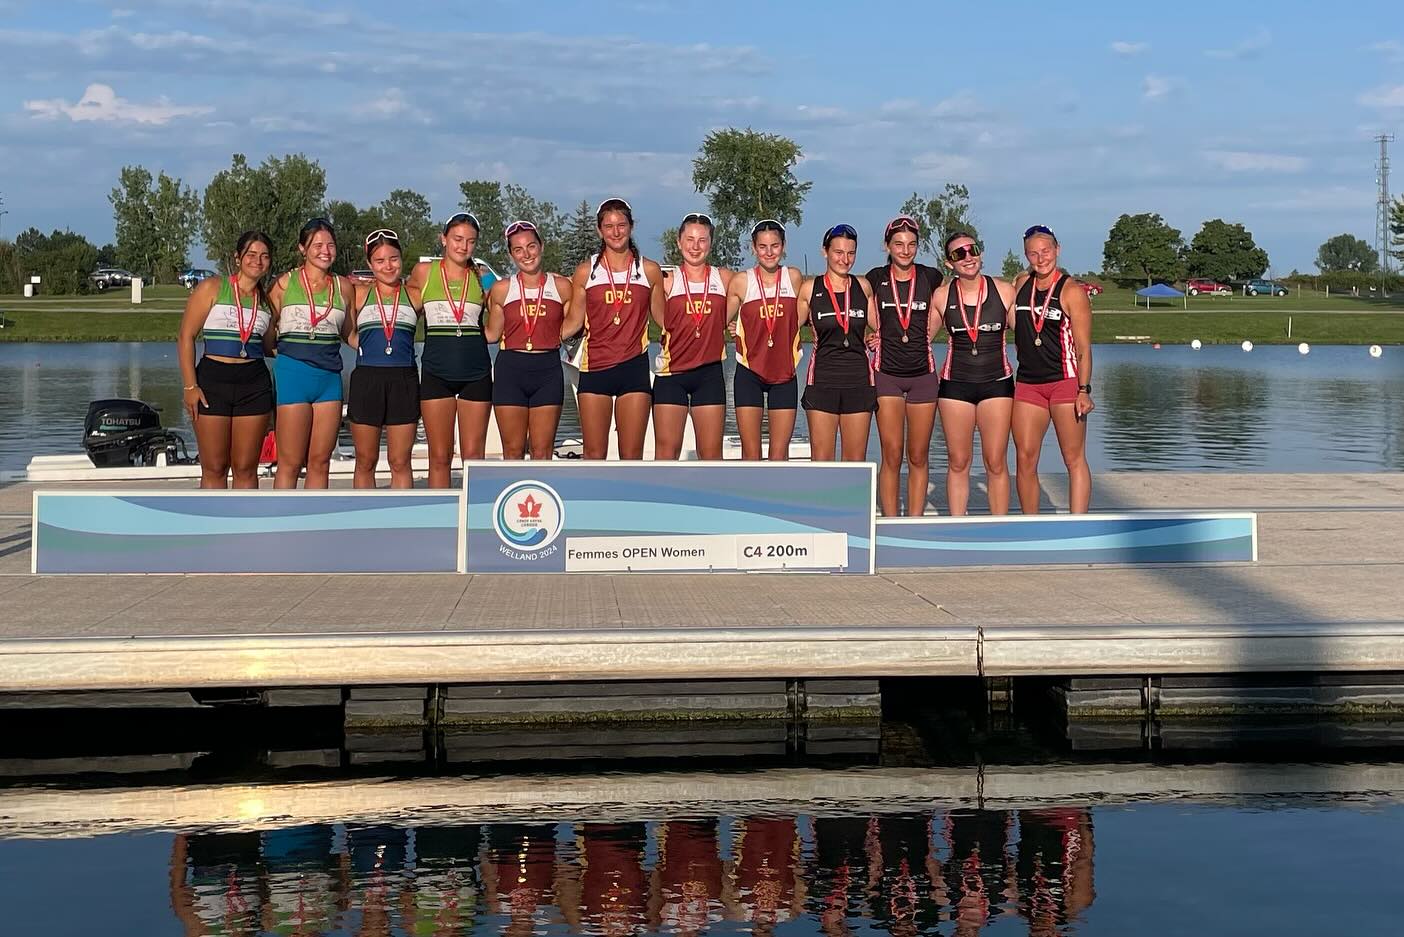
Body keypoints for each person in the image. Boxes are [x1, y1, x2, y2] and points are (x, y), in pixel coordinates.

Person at [177, 230, 275, 489]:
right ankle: (211, 528)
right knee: (214, 467)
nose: (258, 260)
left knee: (246, 468)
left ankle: (247, 527)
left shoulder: (266, 303)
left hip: (254, 384)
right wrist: (190, 386)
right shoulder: (212, 287)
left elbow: (269, 347)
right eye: (251, 254)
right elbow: (186, 336)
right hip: (212, 382)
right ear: (237, 258)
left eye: (264, 256)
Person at [569, 198, 665, 460]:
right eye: (609, 226)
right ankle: (594, 501)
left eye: (621, 225)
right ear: (600, 230)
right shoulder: (586, 271)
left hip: (633, 368)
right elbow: (573, 322)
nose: (616, 232)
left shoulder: (649, 270)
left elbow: (664, 319)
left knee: (631, 455)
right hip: (594, 368)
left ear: (631, 227)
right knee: (593, 454)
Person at [933, 231, 1017, 516]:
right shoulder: (942, 296)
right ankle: (957, 525)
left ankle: (999, 527)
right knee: (958, 461)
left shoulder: (1005, 291)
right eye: (959, 254)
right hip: (955, 386)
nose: (968, 257)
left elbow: (1030, 335)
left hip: (997, 384)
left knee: (995, 461)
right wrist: (880, 339)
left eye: (972, 250)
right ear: (949, 263)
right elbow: (920, 339)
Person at [1011, 225, 1094, 513]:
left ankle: (1078, 523)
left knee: (1073, 457)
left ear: (1057, 250)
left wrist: (1084, 389)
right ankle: (1030, 523)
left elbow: (1083, 347)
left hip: (1065, 382)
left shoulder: (1072, 291)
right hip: (1028, 384)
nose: (1040, 258)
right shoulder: (1021, 283)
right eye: (1033, 253)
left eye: (1045, 251)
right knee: (1024, 458)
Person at [865, 215, 944, 515]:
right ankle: (891, 519)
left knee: (919, 454)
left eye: (911, 244)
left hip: (923, 376)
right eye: (898, 244)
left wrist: (928, 334)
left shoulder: (930, 276)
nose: (905, 250)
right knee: (892, 453)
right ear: (887, 246)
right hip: (887, 376)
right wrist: (873, 334)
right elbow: (856, 306)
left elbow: (945, 304)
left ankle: (915, 520)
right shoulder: (875, 277)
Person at [268, 219, 355, 489]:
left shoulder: (343, 287)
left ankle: (313, 524)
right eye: (317, 245)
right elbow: (267, 331)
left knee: (321, 461)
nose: (325, 251)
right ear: (302, 249)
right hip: (293, 375)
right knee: (290, 462)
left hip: (329, 379)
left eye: (330, 245)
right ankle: (281, 523)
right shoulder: (284, 284)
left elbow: (350, 335)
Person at [407, 212, 492, 488]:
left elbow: (505, 312)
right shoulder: (424, 272)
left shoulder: (483, 276)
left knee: (473, 458)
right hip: (436, 374)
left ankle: (474, 522)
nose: (463, 246)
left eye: (470, 241)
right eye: (457, 239)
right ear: (443, 239)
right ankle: (439, 521)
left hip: (476, 373)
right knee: (440, 456)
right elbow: (399, 307)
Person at [484, 220, 576, 460]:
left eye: (531, 246)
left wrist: (553, 336)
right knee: (513, 451)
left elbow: (576, 321)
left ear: (541, 246)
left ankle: (541, 498)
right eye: (518, 249)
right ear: (511, 254)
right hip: (510, 370)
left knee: (542, 451)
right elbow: (492, 334)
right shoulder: (503, 288)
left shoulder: (562, 286)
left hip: (547, 370)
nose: (526, 254)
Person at [653, 212, 733, 460]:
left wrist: (736, 325)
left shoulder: (725, 278)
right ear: (679, 242)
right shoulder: (666, 280)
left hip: (709, 374)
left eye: (702, 240)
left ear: (711, 243)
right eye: (689, 239)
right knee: (666, 453)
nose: (695, 246)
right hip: (671, 374)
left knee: (711, 455)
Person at [348, 229, 422, 488]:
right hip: (368, 377)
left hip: (404, 379)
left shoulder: (415, 295)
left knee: (400, 461)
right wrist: (363, 346)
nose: (388, 266)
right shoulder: (357, 294)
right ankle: (362, 523)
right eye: (379, 261)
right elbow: (344, 330)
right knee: (365, 460)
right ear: (369, 264)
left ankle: (401, 524)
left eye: (393, 258)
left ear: (402, 259)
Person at [797, 224, 878, 462]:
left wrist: (877, 338)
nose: (845, 259)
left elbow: (885, 327)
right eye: (838, 252)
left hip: (859, 381)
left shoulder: (863, 287)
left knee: (855, 461)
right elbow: (786, 327)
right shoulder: (810, 289)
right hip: (822, 380)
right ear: (825, 252)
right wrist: (739, 327)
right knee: (822, 461)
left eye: (851, 253)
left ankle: (852, 502)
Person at [726, 219, 804, 461]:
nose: (769, 252)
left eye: (775, 246)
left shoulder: (793, 277)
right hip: (750, 372)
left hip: (784, 373)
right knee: (750, 453)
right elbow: (717, 320)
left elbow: (803, 316)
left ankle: (776, 497)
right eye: (763, 246)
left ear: (783, 246)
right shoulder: (741, 281)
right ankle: (748, 499)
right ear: (753, 247)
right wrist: (735, 326)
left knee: (779, 454)